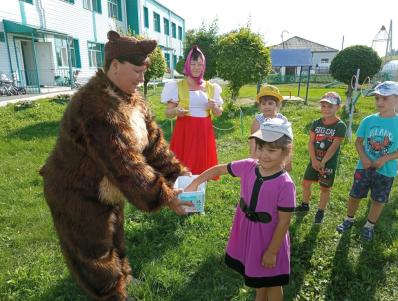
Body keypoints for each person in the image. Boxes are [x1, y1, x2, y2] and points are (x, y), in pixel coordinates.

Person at [40, 30, 190, 301]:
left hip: (106, 185)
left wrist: (178, 174)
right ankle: (111, 294)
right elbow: (126, 166)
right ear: (115, 65)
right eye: (137, 71)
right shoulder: (94, 107)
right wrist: (165, 196)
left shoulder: (133, 100)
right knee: (94, 250)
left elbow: (153, 144)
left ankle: (123, 276)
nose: (142, 78)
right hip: (75, 190)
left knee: (115, 236)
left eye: (144, 71)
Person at [186, 118, 295, 301]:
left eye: (272, 150)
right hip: (248, 231)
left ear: (286, 151)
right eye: (260, 148)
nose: (264, 155)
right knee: (260, 277)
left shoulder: (285, 184)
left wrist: (272, 251)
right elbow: (219, 170)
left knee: (273, 281)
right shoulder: (248, 166)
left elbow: (284, 221)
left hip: (269, 237)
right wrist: (196, 182)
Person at [336, 81, 398, 241]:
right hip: (363, 167)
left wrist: (385, 158)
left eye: (385, 98)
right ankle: (349, 219)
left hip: (386, 171)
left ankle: (369, 226)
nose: (379, 102)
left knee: (378, 200)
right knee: (354, 196)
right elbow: (359, 142)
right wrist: (364, 158)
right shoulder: (368, 120)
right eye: (377, 98)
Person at [161, 45, 223, 176]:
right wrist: (176, 111)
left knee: (202, 166)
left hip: (204, 130)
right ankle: (183, 191)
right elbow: (167, 113)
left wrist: (214, 107)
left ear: (203, 66)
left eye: (199, 64)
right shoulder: (177, 86)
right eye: (193, 64)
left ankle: (199, 190)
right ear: (188, 65)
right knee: (183, 168)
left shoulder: (211, 87)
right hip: (185, 130)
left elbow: (218, 113)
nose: (196, 67)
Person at [295, 92, 346, 224]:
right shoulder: (316, 123)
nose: (326, 109)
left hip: (328, 163)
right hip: (314, 160)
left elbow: (334, 146)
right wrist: (314, 160)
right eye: (323, 106)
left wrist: (323, 162)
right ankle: (305, 205)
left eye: (330, 106)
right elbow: (311, 142)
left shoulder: (340, 126)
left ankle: (320, 211)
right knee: (306, 183)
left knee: (325, 188)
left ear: (338, 107)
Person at [250, 84, 292, 171]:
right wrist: (253, 159)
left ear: (277, 104)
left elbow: (287, 142)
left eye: (270, 103)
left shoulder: (282, 120)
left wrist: (287, 161)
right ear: (260, 105)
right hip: (262, 155)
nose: (267, 106)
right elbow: (253, 141)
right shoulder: (258, 121)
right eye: (263, 104)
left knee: (276, 176)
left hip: (277, 155)